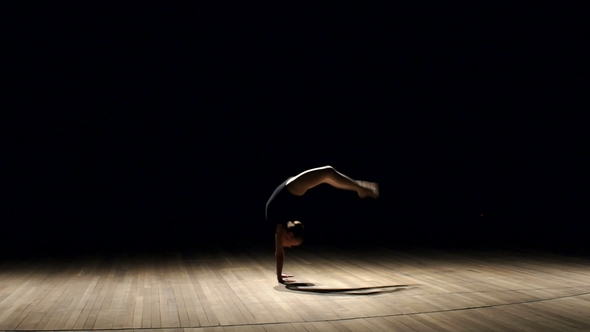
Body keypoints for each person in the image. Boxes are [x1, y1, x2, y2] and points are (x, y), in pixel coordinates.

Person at [265, 165, 379, 284]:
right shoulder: (281, 226)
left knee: (328, 172)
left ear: (290, 234)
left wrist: (279, 277)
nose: (289, 247)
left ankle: (361, 187)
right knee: (327, 177)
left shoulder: (280, 229)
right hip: (290, 186)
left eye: (292, 244)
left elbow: (279, 254)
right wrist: (279, 273)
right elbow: (280, 252)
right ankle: (359, 188)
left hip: (292, 186)